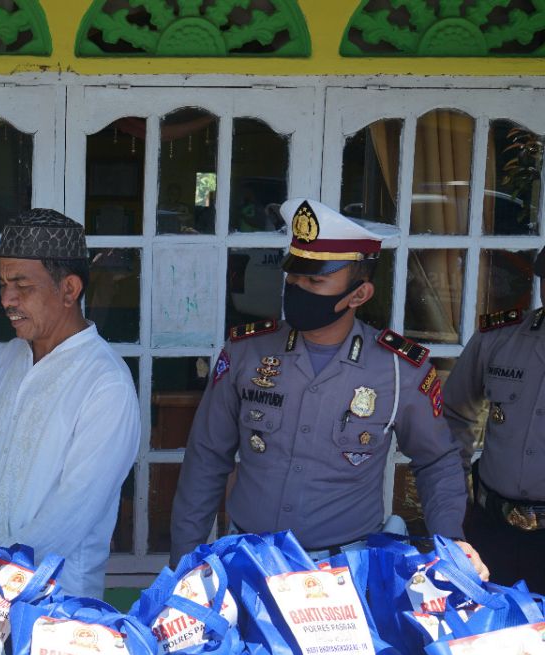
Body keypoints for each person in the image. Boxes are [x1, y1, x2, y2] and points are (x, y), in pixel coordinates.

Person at [169, 197, 488, 576]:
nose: (297, 288)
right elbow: (206, 457)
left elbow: (436, 461)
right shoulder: (246, 352)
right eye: (294, 276)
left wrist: (451, 545)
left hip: (345, 571)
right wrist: (184, 563)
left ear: (359, 294)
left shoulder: (399, 369)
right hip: (249, 561)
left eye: (315, 280)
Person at [0, 208, 140, 599]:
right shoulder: (8, 359)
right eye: (4, 283)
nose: (7, 298)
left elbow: (72, 511)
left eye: (22, 285)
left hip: (56, 605)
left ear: (69, 290)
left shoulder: (105, 383)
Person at [442, 247, 545, 593]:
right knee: (480, 638)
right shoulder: (499, 339)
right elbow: (454, 416)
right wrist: (455, 502)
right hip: (491, 530)